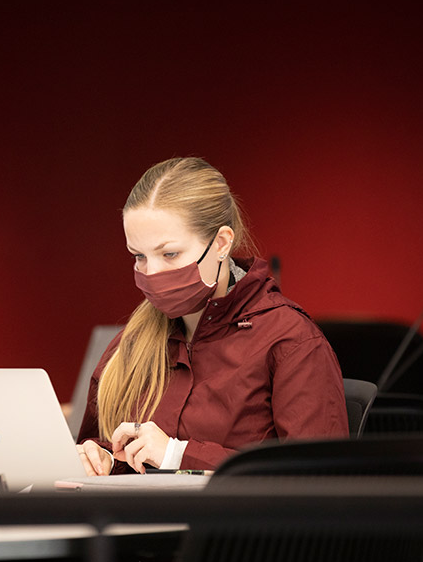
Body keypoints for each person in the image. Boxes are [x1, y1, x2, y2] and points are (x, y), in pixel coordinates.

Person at [77, 157, 347, 476]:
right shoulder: (130, 344)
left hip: (234, 527)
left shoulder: (290, 341)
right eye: (139, 256)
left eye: (170, 254)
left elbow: (319, 480)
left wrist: (179, 455)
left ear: (220, 244)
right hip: (137, 523)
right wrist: (104, 458)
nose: (151, 273)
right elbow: (104, 445)